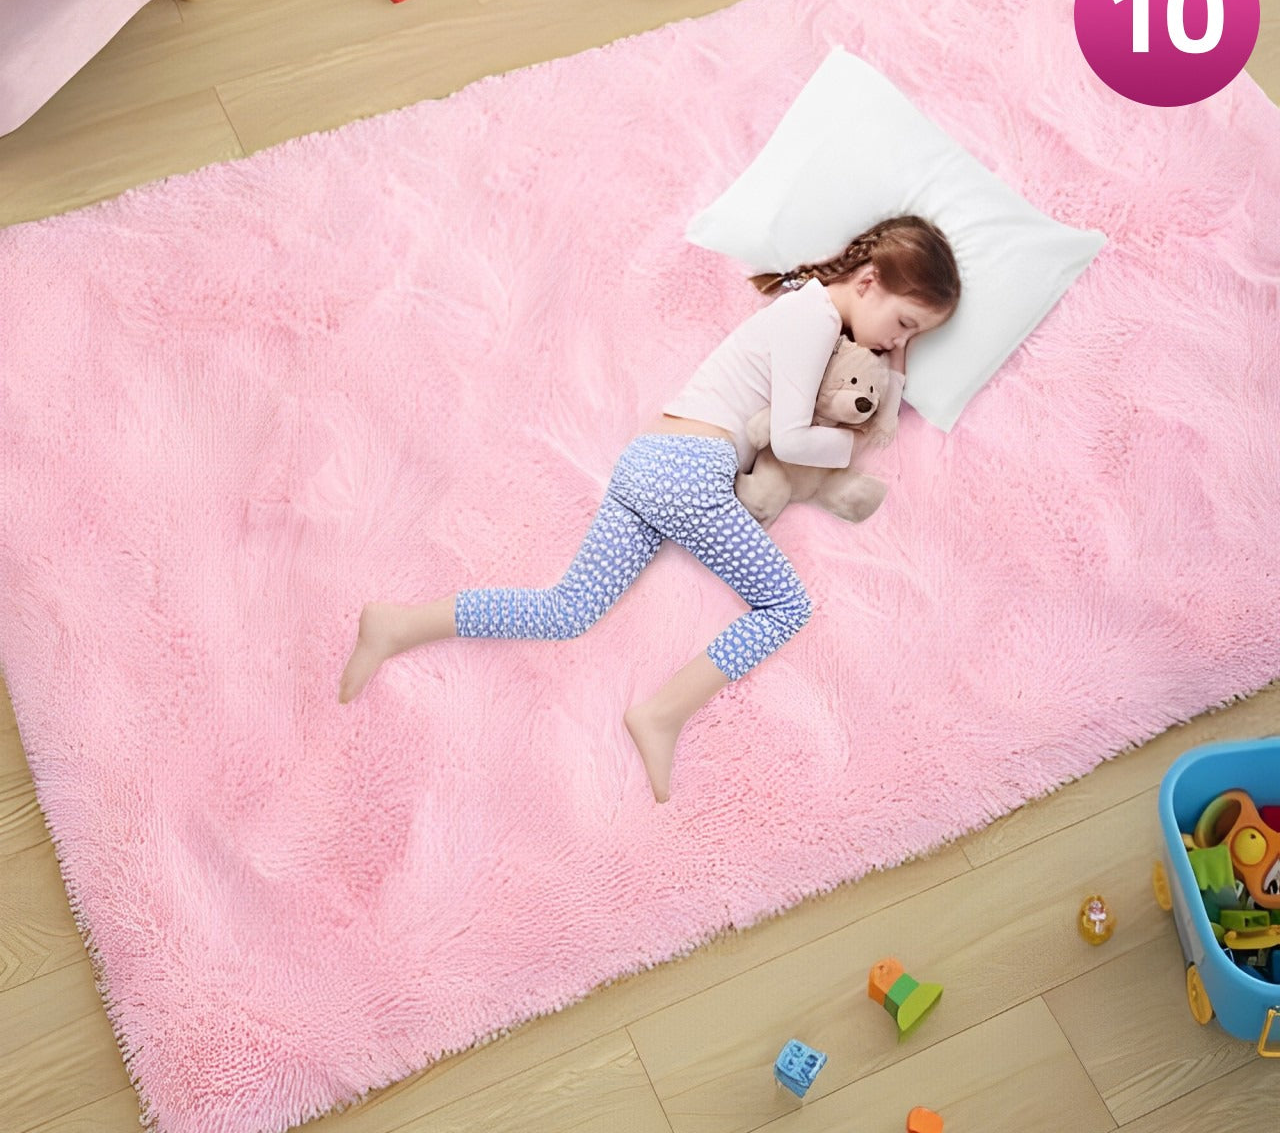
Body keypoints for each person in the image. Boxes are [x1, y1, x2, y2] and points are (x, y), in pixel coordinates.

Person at [338, 215, 961, 802]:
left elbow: (847, 403)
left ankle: (399, 625)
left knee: (566, 610)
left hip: (651, 462)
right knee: (787, 606)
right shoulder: (814, 319)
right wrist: (848, 445)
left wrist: (896, 366)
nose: (897, 341)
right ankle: (661, 714)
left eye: (914, 338)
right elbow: (793, 438)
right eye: (904, 324)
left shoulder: (810, 313)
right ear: (868, 281)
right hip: (689, 473)